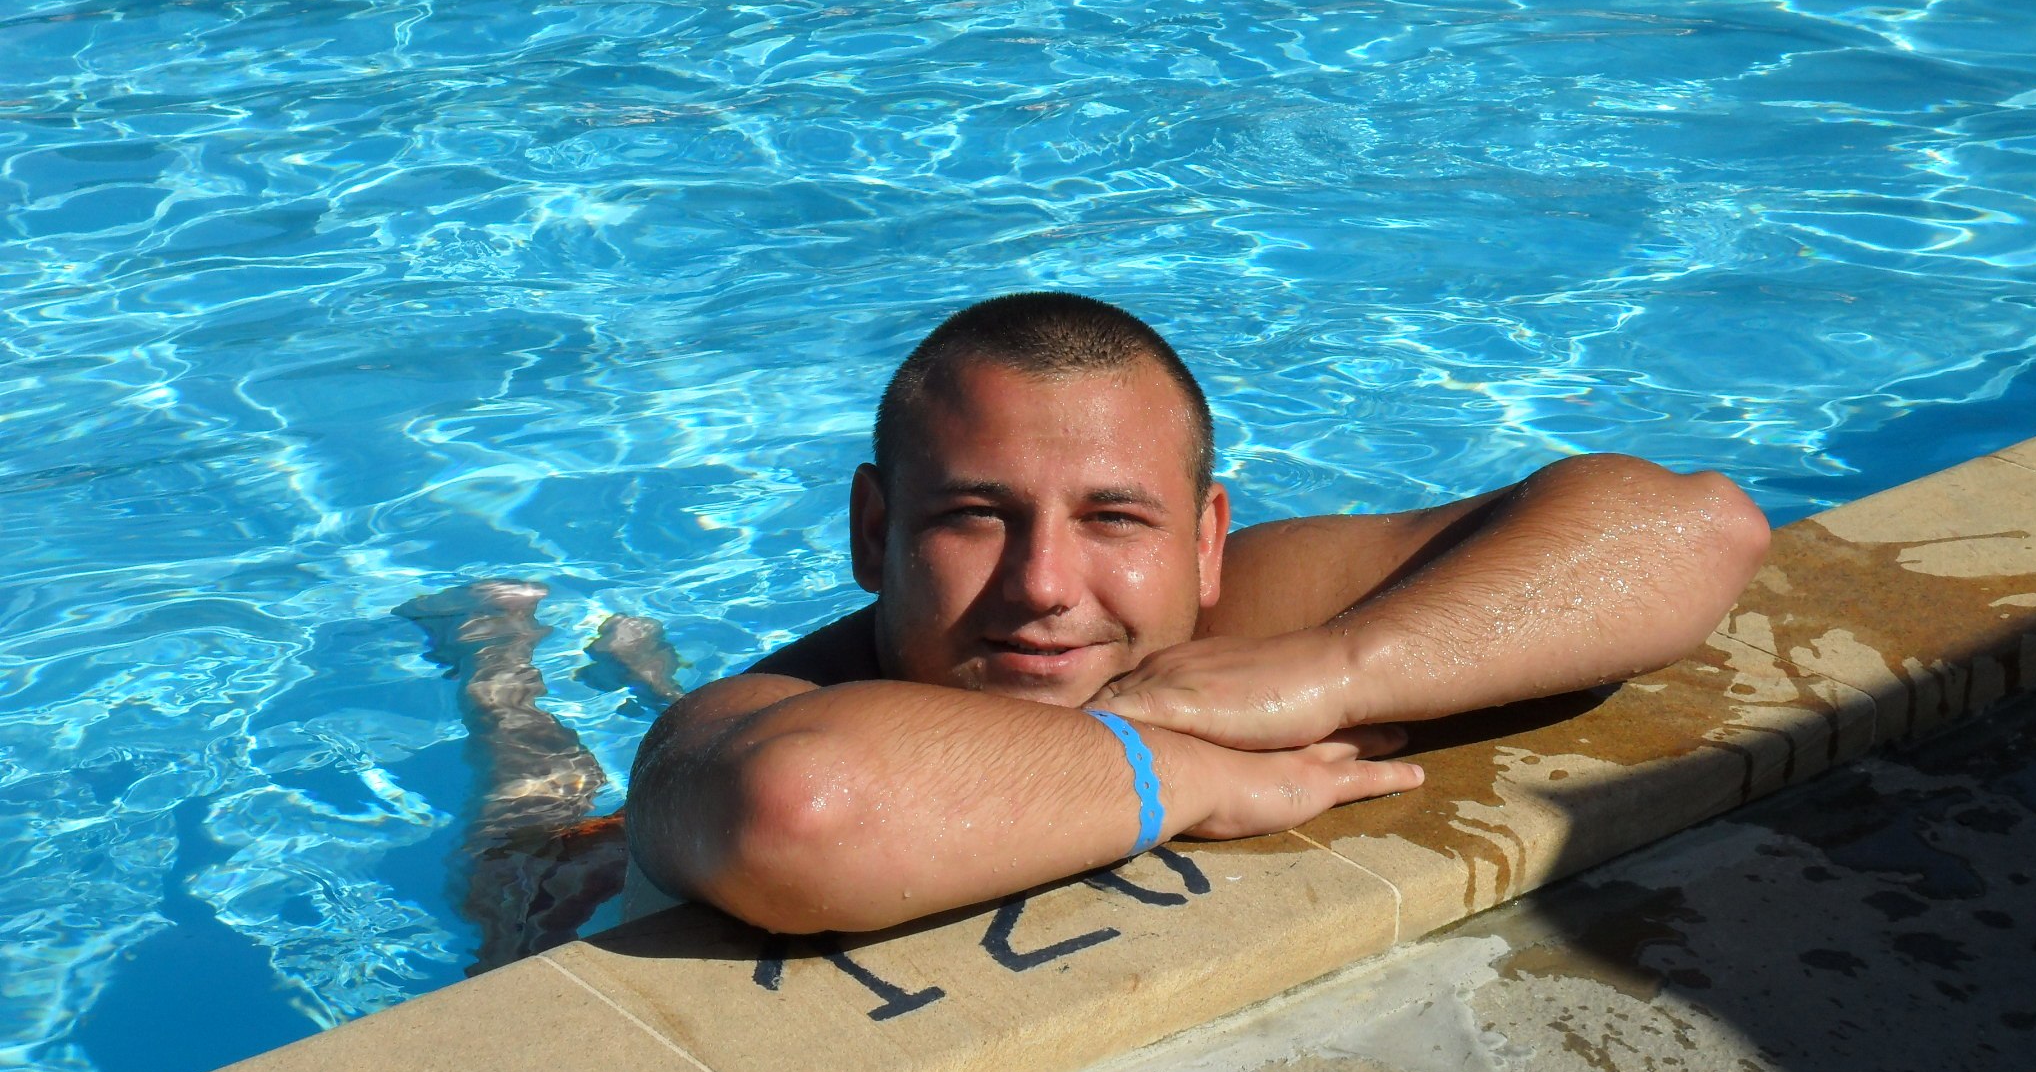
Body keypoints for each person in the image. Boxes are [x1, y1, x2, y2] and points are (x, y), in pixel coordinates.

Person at [621, 292, 1772, 937]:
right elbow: (803, 811)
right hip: (568, 882)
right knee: (544, 812)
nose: (1042, 585)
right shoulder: (761, 711)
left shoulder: (1240, 623)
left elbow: (1691, 527)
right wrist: (1188, 771)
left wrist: (1341, 668)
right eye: (976, 516)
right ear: (872, 532)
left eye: (1114, 519)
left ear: (1207, 541)